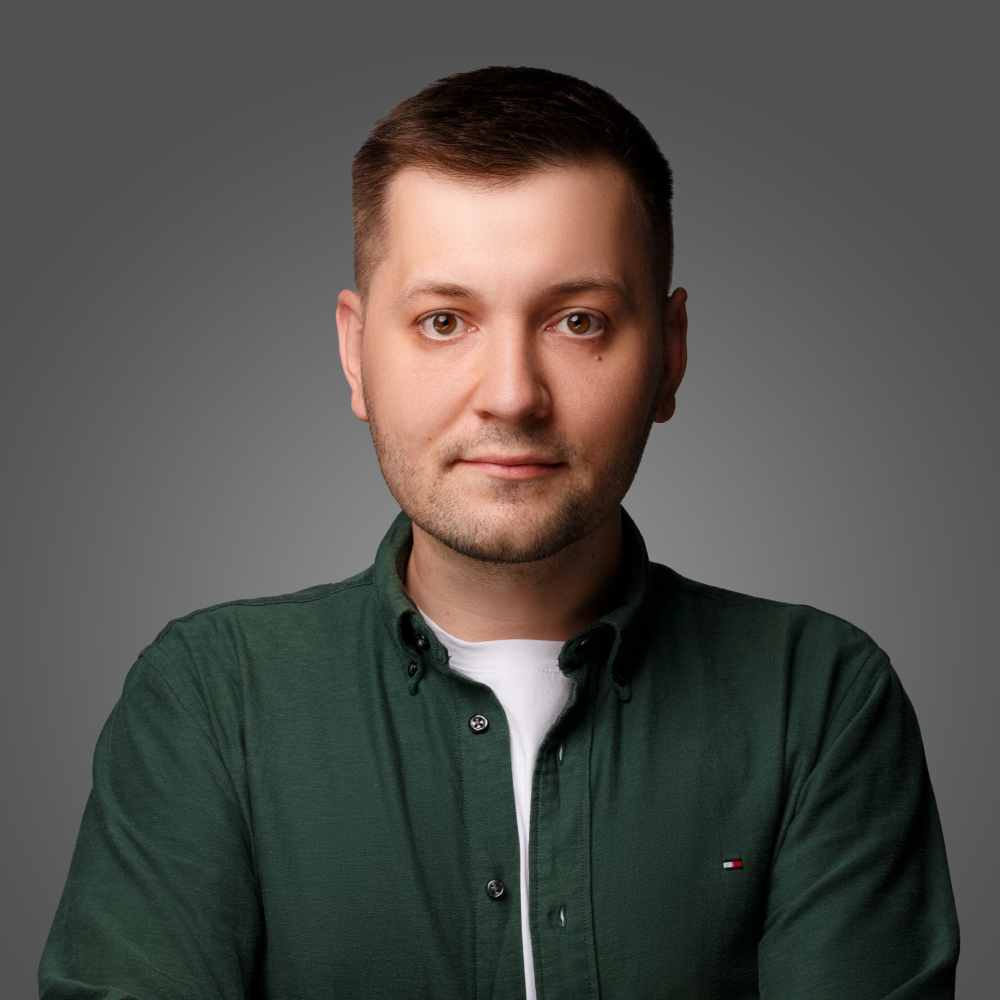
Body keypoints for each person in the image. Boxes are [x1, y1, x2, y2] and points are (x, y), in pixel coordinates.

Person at [39, 66, 959, 999]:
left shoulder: (819, 699)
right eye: (445, 321)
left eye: (578, 321)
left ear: (669, 353)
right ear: (356, 354)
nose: (513, 395)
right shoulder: (208, 701)